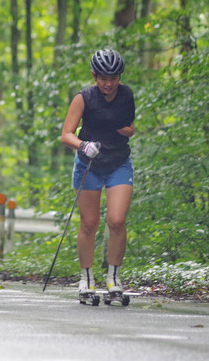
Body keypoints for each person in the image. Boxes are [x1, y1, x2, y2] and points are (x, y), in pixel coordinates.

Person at [60, 49, 135, 297]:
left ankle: (113, 277)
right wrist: (83, 145)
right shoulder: (84, 98)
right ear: (94, 75)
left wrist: (119, 128)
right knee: (89, 223)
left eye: (113, 78)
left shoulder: (126, 95)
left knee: (116, 220)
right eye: (103, 78)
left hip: (118, 163)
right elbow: (66, 134)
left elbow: (129, 127)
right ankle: (86, 278)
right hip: (89, 164)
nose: (108, 83)